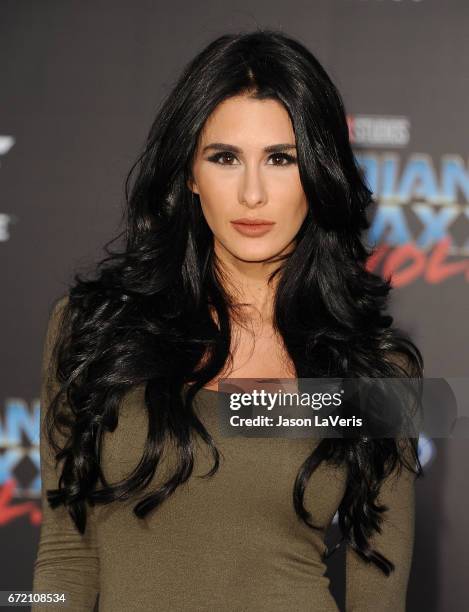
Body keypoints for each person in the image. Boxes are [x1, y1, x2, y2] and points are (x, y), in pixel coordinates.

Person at [32, 29, 424, 611]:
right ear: (190, 173)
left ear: (316, 175)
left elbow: (378, 585)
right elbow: (66, 554)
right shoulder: (94, 330)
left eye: (281, 158)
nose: (252, 193)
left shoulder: (374, 369)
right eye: (224, 157)